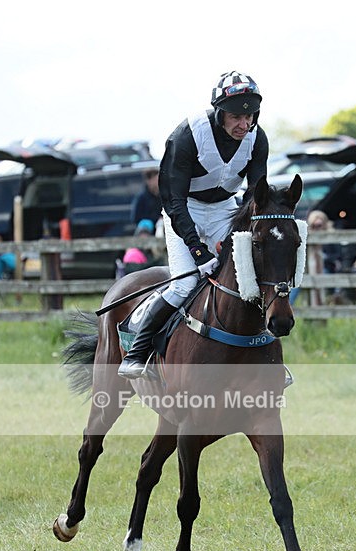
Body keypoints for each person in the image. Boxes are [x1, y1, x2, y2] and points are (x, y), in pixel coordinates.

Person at [118, 70, 268, 379]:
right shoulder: (188, 135)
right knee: (185, 283)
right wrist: (197, 250)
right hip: (185, 210)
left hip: (226, 210)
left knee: (248, 283)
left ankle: (265, 356)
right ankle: (138, 351)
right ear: (219, 113)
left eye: (250, 116)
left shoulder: (257, 138)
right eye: (236, 116)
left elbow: (256, 195)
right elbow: (173, 200)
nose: (245, 124)